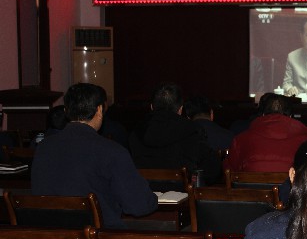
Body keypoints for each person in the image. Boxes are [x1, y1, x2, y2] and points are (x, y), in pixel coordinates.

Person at [31, 83, 157, 229]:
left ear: (66, 111)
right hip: (99, 238)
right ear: (99, 110)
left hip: (51, 237)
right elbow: (139, 205)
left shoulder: (43, 148)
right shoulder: (111, 151)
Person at [129, 83, 221, 185]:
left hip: (143, 191)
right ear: (180, 109)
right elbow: (212, 169)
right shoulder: (192, 130)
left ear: (151, 107)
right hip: (182, 193)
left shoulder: (135, 131)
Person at [223, 94, 307, 172]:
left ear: (262, 115)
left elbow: (229, 172)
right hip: (293, 186)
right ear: (290, 116)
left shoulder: (240, 140)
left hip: (251, 186)